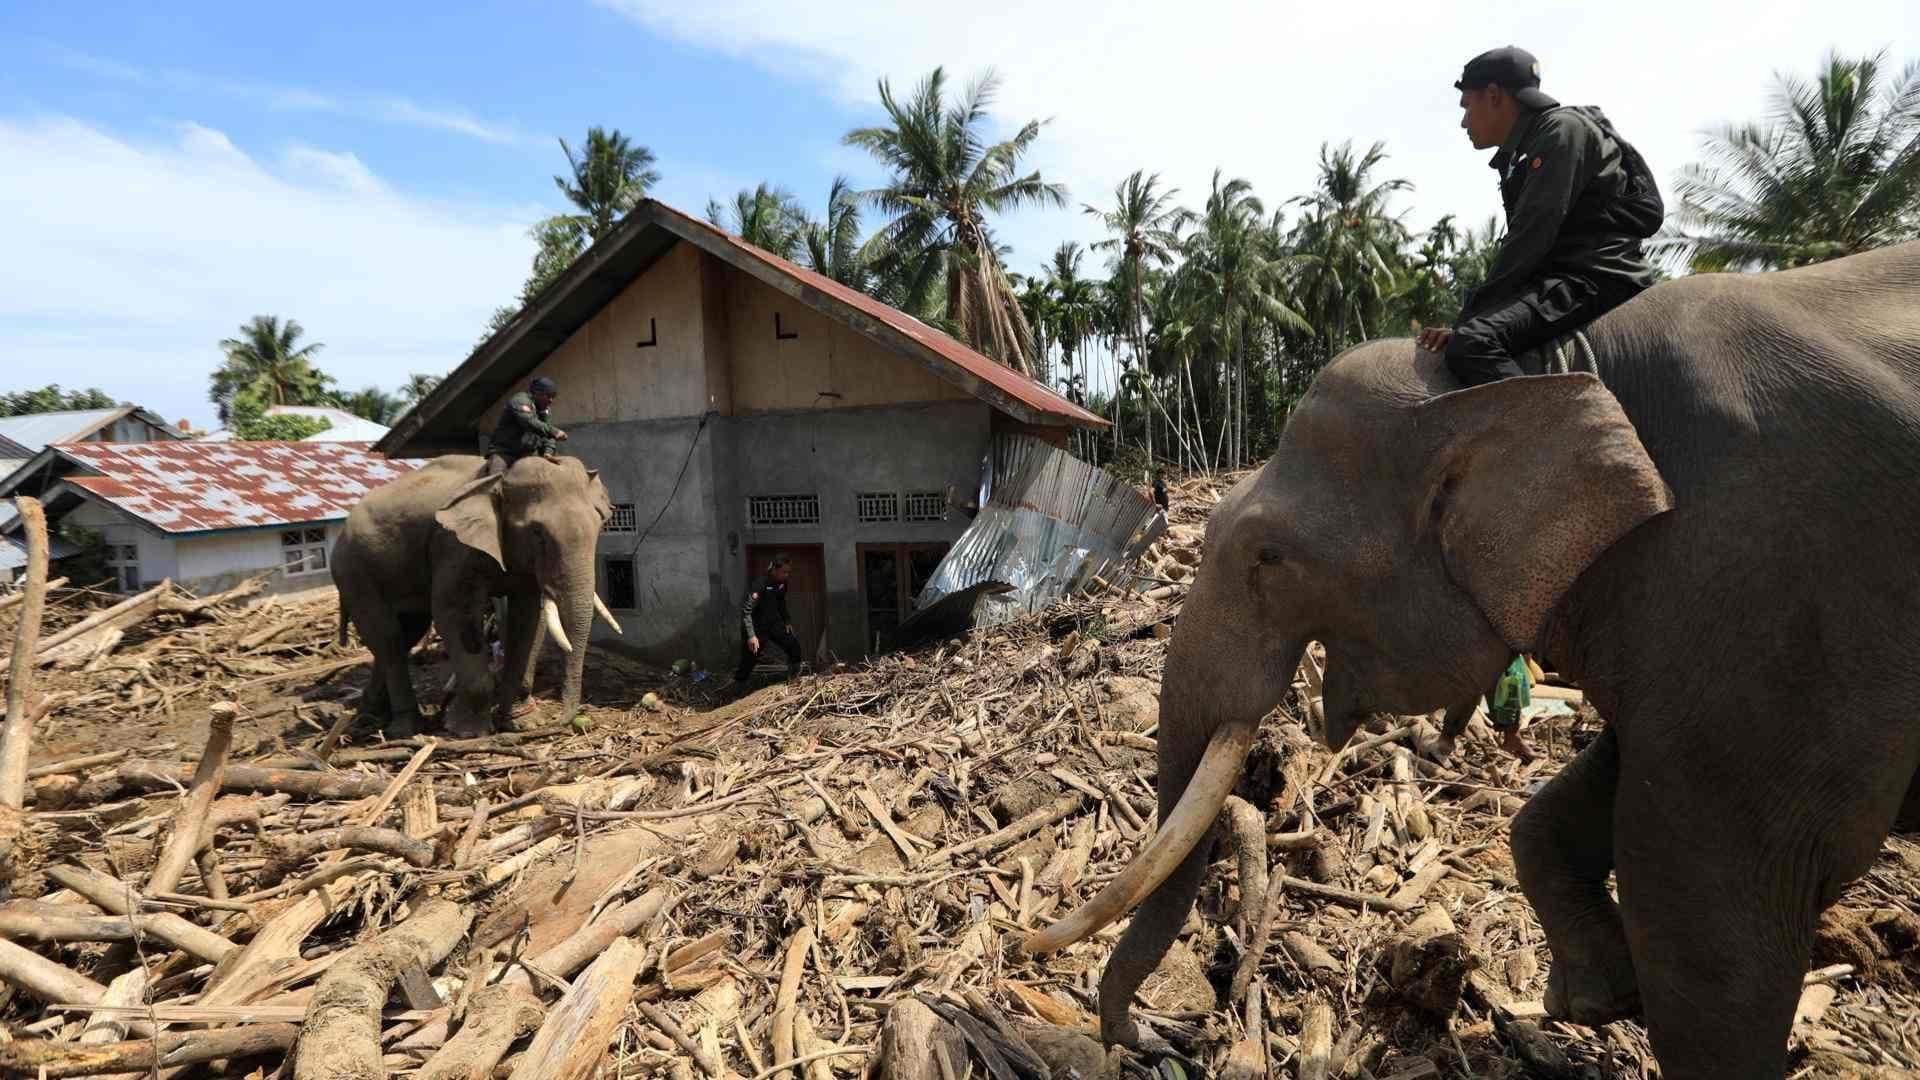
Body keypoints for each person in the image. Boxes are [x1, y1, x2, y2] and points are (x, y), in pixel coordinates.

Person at [1416, 46, 1664, 387]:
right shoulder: (1522, 150)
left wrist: (1467, 323)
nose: (1463, 121)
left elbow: (1531, 237)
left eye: (1466, 106)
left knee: (1473, 345)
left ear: (1493, 95)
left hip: (1596, 274)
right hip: (1565, 277)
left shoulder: (1559, 132)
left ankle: (1554, 438)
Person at [734, 554, 802, 685]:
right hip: (757, 627)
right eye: (784, 572)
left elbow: (781, 602)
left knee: (794, 647)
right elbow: (746, 612)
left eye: (788, 572)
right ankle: (738, 687)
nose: (787, 575)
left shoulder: (782, 583)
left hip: (775, 623)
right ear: (775, 570)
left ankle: (793, 680)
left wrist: (787, 621)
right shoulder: (760, 585)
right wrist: (751, 636)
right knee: (749, 660)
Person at [486, 376, 568, 475]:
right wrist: (554, 432)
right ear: (537, 393)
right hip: (504, 452)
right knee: (495, 481)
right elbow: (530, 422)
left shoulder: (544, 410)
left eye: (553, 396)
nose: (551, 400)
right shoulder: (520, 401)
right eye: (548, 396)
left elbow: (547, 434)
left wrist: (548, 452)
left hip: (527, 454)